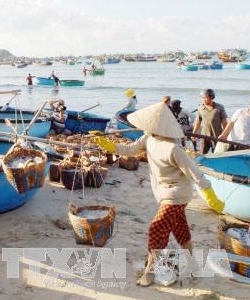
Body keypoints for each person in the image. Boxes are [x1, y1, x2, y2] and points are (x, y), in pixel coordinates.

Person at [93, 102, 224, 287]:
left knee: (156, 228)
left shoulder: (174, 149)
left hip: (177, 195)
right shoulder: (149, 137)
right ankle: (193, 264)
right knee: (179, 228)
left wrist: (211, 196)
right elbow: (130, 150)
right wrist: (106, 144)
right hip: (163, 193)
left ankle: (150, 271)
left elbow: (196, 174)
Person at [192, 89, 228, 154]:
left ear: (211, 97)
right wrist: (194, 133)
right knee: (202, 154)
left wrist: (225, 135)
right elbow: (198, 122)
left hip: (217, 136)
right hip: (204, 136)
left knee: (216, 154)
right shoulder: (200, 107)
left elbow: (224, 122)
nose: (203, 100)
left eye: (205, 98)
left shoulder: (219, 107)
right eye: (202, 98)